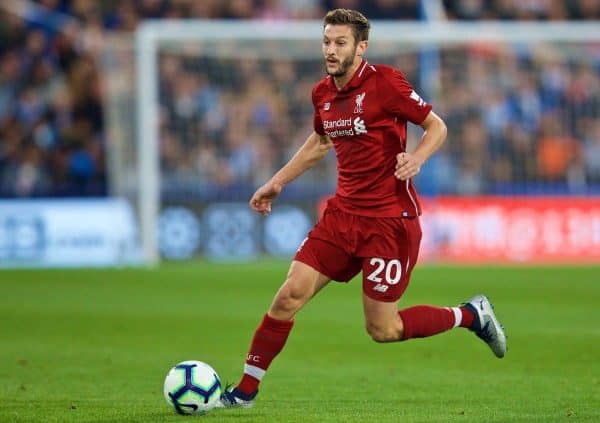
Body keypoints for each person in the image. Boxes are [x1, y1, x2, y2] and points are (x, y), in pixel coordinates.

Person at [218, 8, 507, 408]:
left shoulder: (386, 83)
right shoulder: (322, 93)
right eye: (326, 41)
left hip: (389, 222)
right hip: (342, 217)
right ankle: (244, 393)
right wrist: (277, 181)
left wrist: (418, 158)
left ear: (361, 46)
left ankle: (470, 315)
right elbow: (319, 143)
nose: (331, 50)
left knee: (383, 328)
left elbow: (436, 126)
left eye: (340, 42)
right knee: (288, 296)